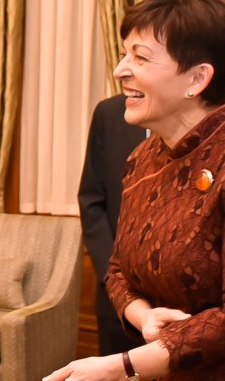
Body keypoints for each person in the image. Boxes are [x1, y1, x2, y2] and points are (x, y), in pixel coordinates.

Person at [45, 0, 225, 380]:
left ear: (197, 78)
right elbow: (119, 268)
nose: (121, 69)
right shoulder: (143, 159)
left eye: (140, 57)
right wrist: (143, 316)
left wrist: (120, 366)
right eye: (125, 53)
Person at [79, 94, 146, 355]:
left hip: (187, 308)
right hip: (115, 294)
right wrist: (113, 275)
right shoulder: (108, 113)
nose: (124, 69)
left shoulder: (208, 116)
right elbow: (91, 199)